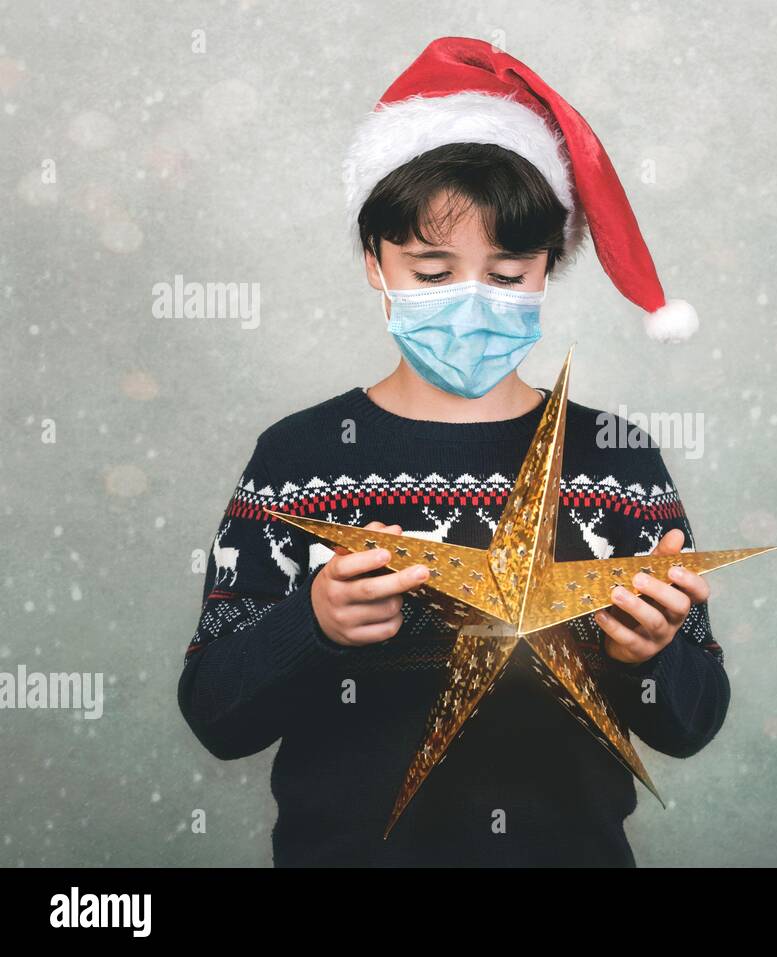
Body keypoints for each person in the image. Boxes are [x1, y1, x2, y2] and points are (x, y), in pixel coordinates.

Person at [177, 37, 727, 866]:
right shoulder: (298, 456)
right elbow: (217, 714)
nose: (471, 303)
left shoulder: (618, 459)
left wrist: (643, 655)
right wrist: (314, 623)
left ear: (549, 268)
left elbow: (692, 721)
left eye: (507, 275)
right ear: (376, 262)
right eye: (432, 271)